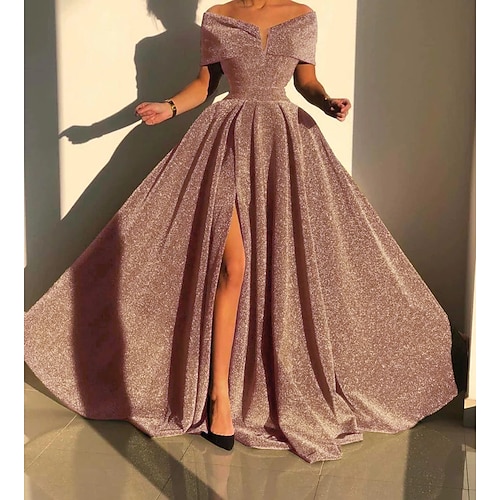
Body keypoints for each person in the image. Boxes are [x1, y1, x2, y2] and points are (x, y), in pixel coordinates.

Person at [24, 0, 458, 464]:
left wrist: (326, 101)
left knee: (286, 265)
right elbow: (204, 85)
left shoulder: (302, 16)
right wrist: (167, 107)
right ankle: (219, 398)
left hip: (283, 143)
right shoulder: (218, 16)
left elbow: (306, 81)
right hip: (226, 139)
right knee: (233, 266)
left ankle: (267, 383)